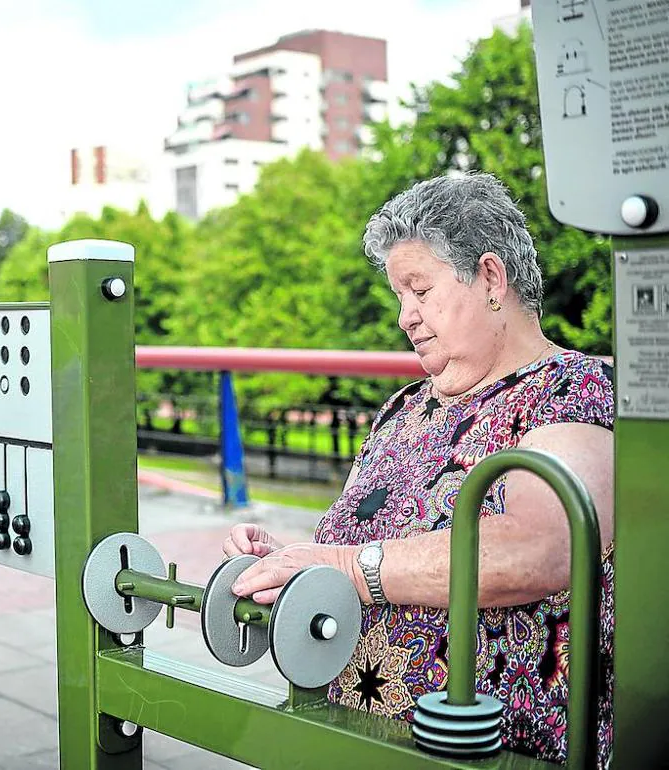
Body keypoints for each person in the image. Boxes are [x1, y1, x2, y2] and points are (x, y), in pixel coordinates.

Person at [222, 173, 614, 767]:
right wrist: (292, 565)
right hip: (351, 735)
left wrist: (347, 567)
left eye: (420, 290)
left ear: (490, 278)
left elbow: (543, 547)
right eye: (398, 298)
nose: (405, 317)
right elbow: (370, 552)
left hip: (489, 753)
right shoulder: (404, 409)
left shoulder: (570, 389)